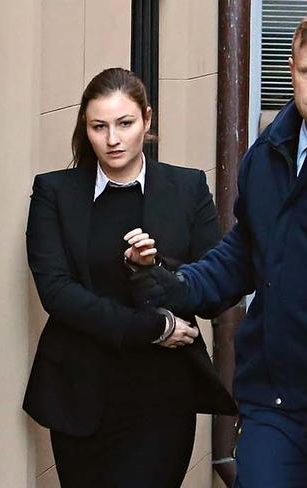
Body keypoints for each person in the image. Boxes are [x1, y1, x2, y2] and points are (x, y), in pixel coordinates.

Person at [128, 10, 307, 488]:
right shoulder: (269, 150)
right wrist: (182, 284)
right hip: (275, 404)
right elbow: (247, 249)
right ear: (291, 71)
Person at [23, 67, 236, 488]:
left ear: (147, 120)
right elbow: (57, 292)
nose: (112, 139)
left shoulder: (187, 188)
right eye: (98, 126)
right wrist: (151, 327)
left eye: (125, 123)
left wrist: (153, 271)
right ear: (85, 128)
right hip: (80, 394)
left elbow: (213, 293)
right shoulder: (54, 193)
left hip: (161, 398)